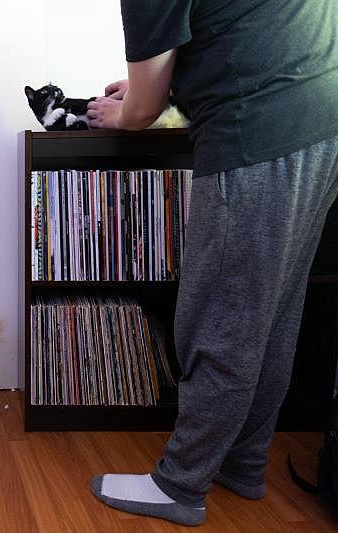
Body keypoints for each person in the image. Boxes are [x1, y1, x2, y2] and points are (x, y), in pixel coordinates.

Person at [85, 1, 338, 527]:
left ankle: (180, 485)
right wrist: (147, 91)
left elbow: (143, 109)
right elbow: (238, 37)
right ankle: (241, 464)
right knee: (272, 315)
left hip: (258, 132)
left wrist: (127, 109)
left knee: (220, 321)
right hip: (322, 121)